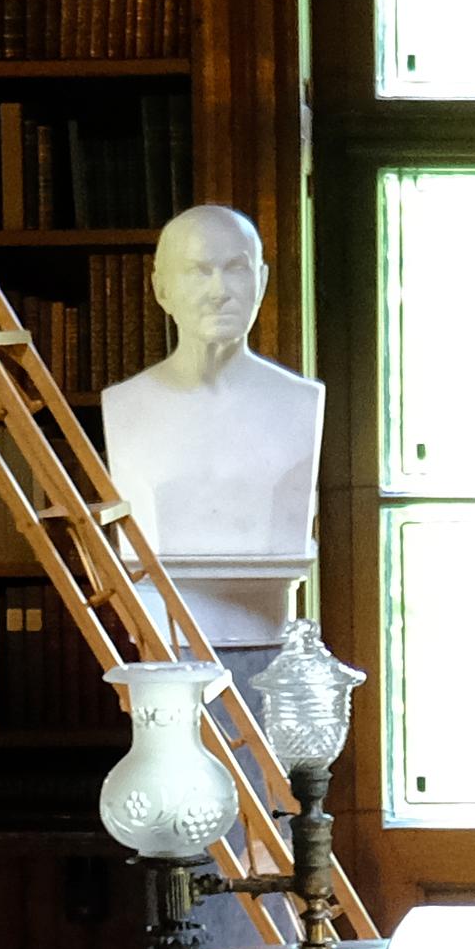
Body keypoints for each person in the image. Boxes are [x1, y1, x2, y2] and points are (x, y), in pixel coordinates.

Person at [103, 203, 327, 652]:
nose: (219, 291)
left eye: (235, 269)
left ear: (261, 281)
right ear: (161, 288)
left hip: (267, 627)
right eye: (198, 271)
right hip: (165, 634)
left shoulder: (300, 402)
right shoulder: (124, 405)